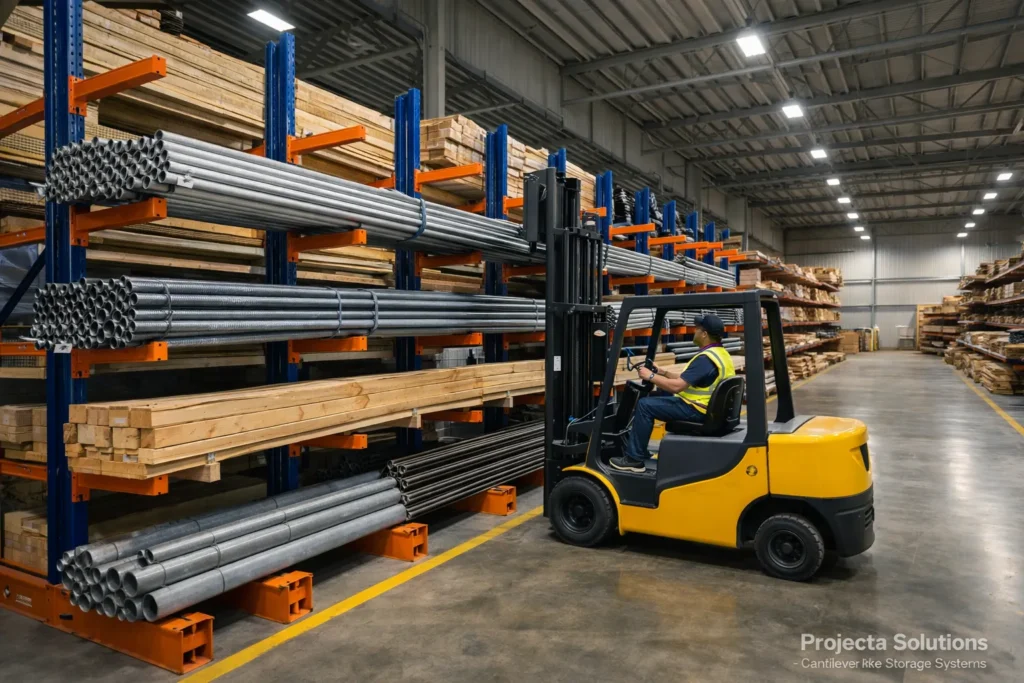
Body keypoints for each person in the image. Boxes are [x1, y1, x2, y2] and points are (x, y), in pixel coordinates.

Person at [609, 312, 736, 473]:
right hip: (707, 408)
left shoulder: (705, 359)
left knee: (644, 405)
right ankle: (640, 451)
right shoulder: (720, 354)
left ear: (704, 334)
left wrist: (651, 376)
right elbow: (689, 379)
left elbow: (677, 387)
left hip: (697, 410)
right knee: (651, 402)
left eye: (697, 328)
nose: (694, 331)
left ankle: (634, 460)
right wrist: (662, 372)